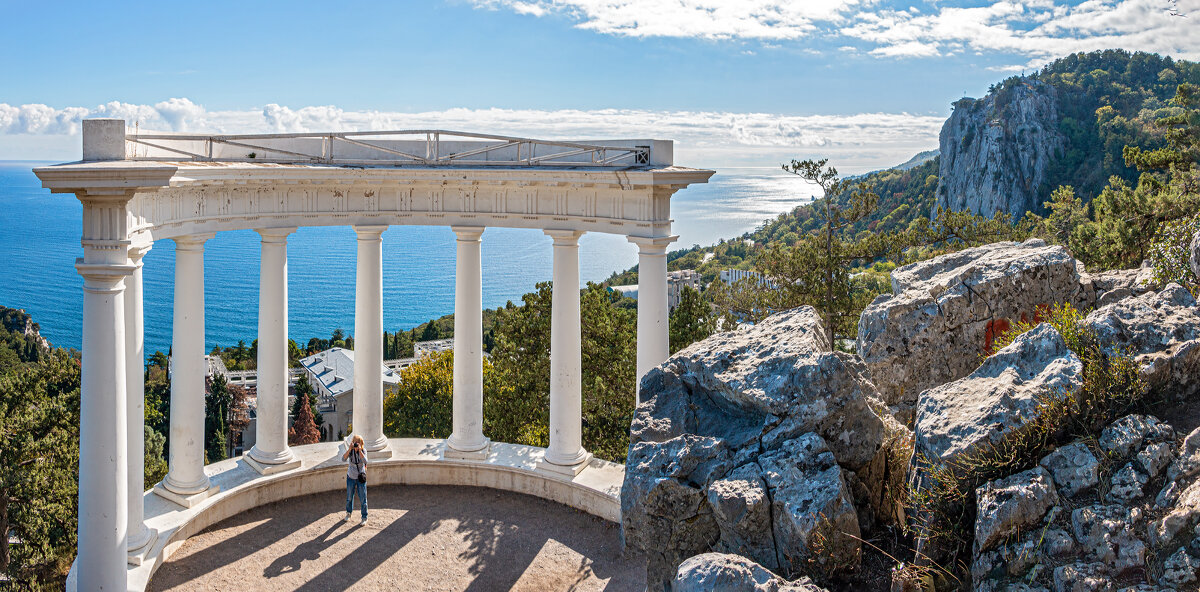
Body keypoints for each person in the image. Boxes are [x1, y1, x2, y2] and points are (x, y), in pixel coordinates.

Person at [342, 434, 368, 525]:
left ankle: (364, 517)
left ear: (361, 443)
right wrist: (350, 449)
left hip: (360, 477)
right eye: (355, 442)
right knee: (349, 497)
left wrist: (360, 451)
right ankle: (348, 513)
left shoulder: (363, 451)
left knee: (363, 498)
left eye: (358, 442)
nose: (356, 444)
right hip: (351, 477)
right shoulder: (351, 451)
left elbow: (366, 461)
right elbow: (343, 459)